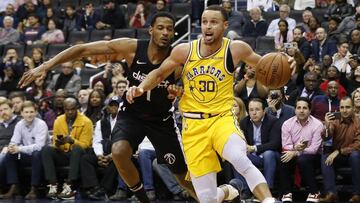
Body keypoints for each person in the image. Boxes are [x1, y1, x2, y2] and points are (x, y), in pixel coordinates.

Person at [18, 12, 201, 202]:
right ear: (151, 30)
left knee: (181, 174)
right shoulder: (132, 47)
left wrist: (178, 92)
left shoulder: (178, 59)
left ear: (173, 33)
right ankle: (143, 198)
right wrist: (45, 66)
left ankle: (207, 199)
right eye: (160, 28)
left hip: (161, 119)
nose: (165, 32)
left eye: (169, 29)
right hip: (132, 114)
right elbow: (82, 49)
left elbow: (190, 90)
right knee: (119, 151)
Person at [126, 5, 295, 203]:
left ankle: (268, 200)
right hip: (193, 126)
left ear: (224, 25)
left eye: (213, 22)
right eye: (205, 22)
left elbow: (267, 66)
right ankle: (229, 190)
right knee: (207, 199)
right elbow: (160, 73)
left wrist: (287, 62)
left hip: (221, 119)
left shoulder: (235, 49)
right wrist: (141, 88)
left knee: (238, 157)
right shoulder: (185, 50)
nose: (207, 26)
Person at [41, 97, 93, 200]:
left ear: (77, 108)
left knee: (77, 148)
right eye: (67, 109)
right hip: (64, 153)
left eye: (72, 109)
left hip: (80, 155)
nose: (69, 112)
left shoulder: (86, 122)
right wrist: (58, 143)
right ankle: (53, 185)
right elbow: (55, 143)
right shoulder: (58, 121)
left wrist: (72, 141)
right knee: (47, 149)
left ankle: (69, 185)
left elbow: (86, 144)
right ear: (63, 109)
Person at [0, 101, 48, 199]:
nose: (29, 115)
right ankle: (14, 187)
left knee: (36, 154)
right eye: (26, 112)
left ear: (35, 113)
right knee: (10, 154)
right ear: (21, 113)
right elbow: (14, 141)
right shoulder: (20, 124)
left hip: (43, 155)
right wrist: (11, 147)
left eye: (31, 112)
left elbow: (39, 146)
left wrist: (19, 148)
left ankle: (34, 188)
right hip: (27, 154)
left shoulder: (41, 124)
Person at [321, 97, 360, 202]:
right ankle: (332, 194)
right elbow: (326, 137)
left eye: (347, 107)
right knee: (325, 156)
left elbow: (358, 144)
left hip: (354, 155)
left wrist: (339, 151)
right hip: (339, 156)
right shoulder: (335, 120)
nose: (344, 110)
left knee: (355, 155)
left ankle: (357, 194)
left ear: (353, 108)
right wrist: (327, 124)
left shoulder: (358, 121)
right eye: (342, 107)